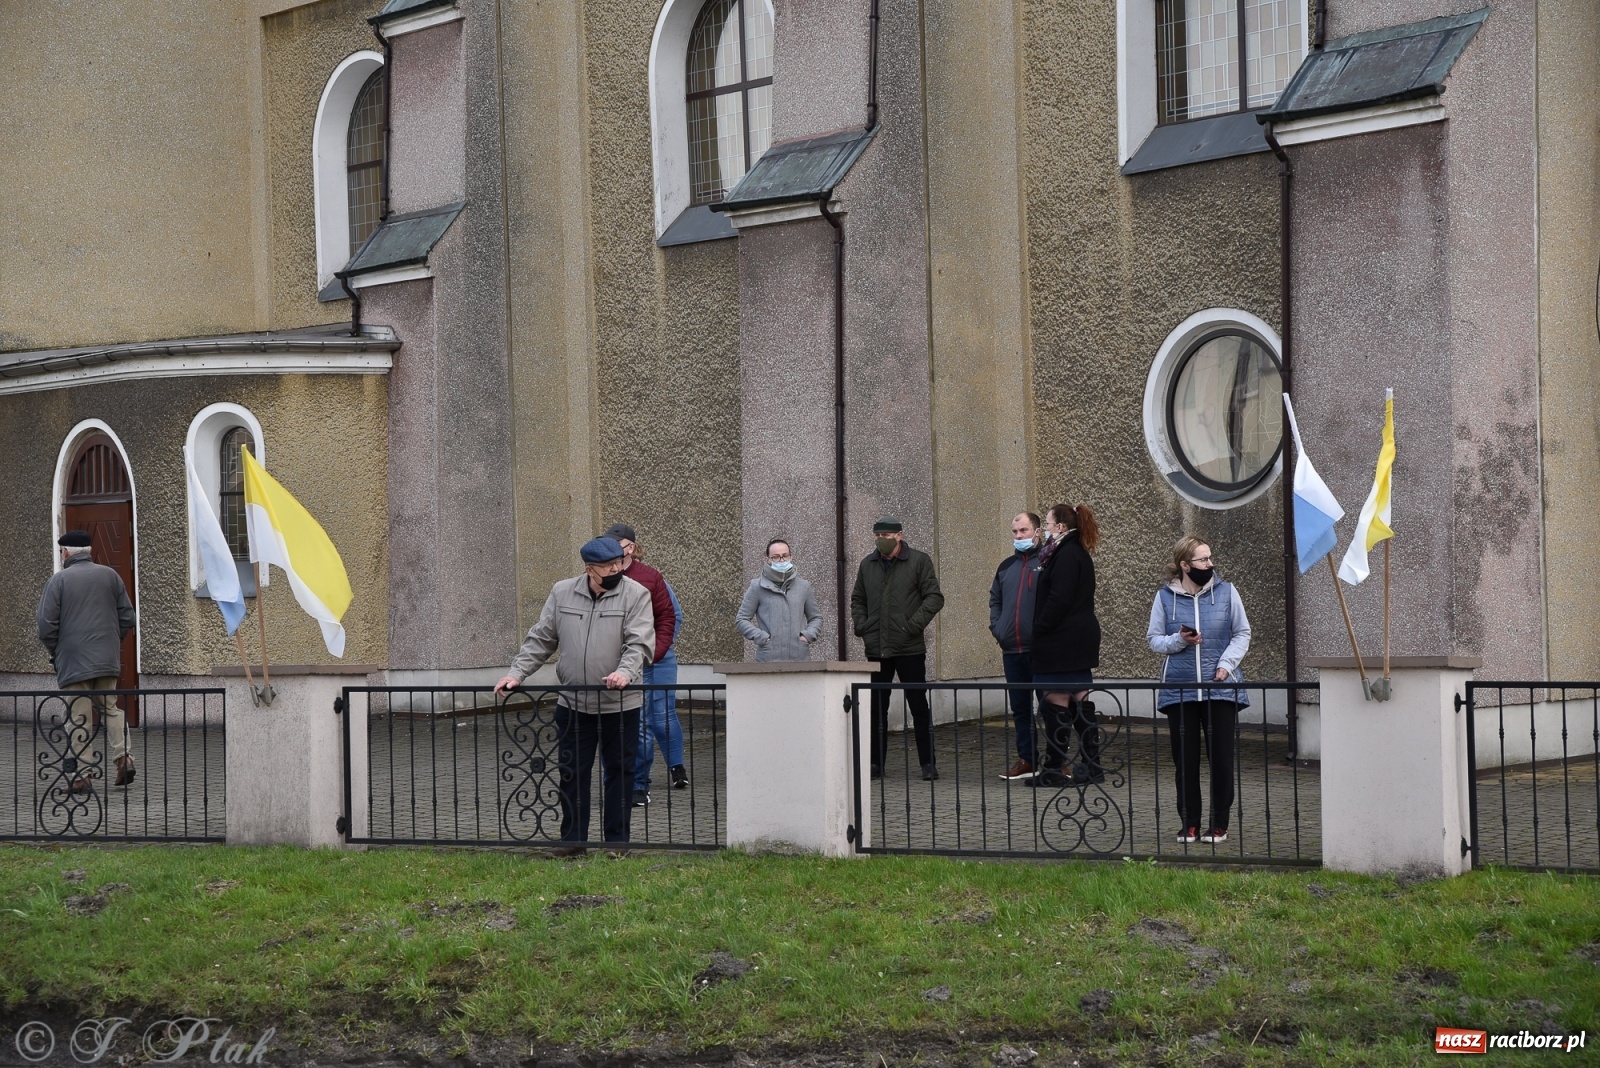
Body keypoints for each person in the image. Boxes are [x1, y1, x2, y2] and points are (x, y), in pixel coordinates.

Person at [494, 537, 654, 854]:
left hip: (620, 705)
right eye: (609, 567)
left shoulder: (636, 594)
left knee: (620, 774)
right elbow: (541, 638)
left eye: (619, 564)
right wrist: (516, 673)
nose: (617, 570)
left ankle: (617, 843)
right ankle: (573, 841)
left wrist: (625, 673)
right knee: (572, 773)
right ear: (589, 569)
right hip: (573, 704)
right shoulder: (563, 591)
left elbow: (639, 643)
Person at [1147, 536, 1251, 845]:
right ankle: (1189, 824)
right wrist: (1180, 641)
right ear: (1184, 565)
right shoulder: (1165, 597)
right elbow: (1154, 639)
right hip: (1179, 690)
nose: (1210, 564)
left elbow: (1242, 632)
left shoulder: (1227, 592)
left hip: (1220, 688)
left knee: (1221, 760)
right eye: (1202, 560)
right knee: (1185, 761)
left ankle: (1219, 824)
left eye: (1210, 558)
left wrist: (1226, 664)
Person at [37, 529, 139, 794]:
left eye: (62, 552)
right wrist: (111, 641)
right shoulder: (111, 576)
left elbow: (45, 627)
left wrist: (57, 652)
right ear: (89, 553)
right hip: (106, 659)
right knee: (111, 708)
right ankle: (124, 758)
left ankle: (83, 776)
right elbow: (127, 617)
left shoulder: (58, 582)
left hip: (73, 662)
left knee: (78, 716)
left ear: (66, 553)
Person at [850, 516, 945, 780]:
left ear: (899, 536)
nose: (881, 539)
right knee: (877, 707)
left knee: (918, 705)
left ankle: (928, 764)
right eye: (878, 534)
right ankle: (875, 763)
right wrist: (863, 625)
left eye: (887, 535)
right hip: (877, 648)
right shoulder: (867, 565)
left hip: (909, 647)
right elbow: (858, 598)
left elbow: (934, 597)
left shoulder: (918, 561)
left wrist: (911, 626)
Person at [600, 522, 687, 805]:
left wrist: (655, 652)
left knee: (661, 718)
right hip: (623, 663)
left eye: (620, 546)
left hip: (656, 660)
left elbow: (673, 617)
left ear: (632, 548)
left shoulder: (650, 578)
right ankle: (632, 781)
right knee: (639, 723)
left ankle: (675, 767)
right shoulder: (600, 577)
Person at [1029, 503, 1102, 788]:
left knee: (1058, 702)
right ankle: (1088, 763)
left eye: (1047, 523)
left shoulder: (1067, 554)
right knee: (1078, 700)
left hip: (1062, 641)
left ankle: (1055, 768)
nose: (1045, 529)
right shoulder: (1072, 551)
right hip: (1073, 641)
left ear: (1060, 527)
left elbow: (1059, 599)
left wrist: (1039, 628)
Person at [989, 512, 1043, 780]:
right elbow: (995, 601)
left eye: (1024, 530)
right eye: (1015, 532)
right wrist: (998, 629)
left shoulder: (1047, 563)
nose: (1019, 536)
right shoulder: (1005, 567)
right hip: (1012, 650)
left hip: (1041, 650)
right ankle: (1027, 760)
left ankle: (1058, 761)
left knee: (1052, 707)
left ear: (1037, 531)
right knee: (1020, 709)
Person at [736, 538, 823, 661]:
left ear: (791, 556)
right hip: (768, 659)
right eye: (776, 557)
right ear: (767, 559)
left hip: (799, 658)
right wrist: (762, 638)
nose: (782, 560)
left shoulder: (803, 586)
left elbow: (816, 617)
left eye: (785, 556)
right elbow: (742, 619)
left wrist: (807, 636)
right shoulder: (757, 587)